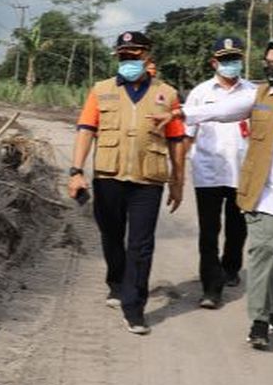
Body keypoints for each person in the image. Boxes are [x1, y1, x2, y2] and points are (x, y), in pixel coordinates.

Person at [156, 37, 273, 350]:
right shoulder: (259, 95)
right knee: (263, 254)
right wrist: (180, 114)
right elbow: (221, 110)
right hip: (267, 192)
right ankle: (258, 320)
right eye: (268, 62)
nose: (271, 68)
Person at [67, 31, 186, 335]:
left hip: (148, 180)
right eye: (123, 55)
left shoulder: (167, 94)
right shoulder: (101, 90)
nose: (128, 59)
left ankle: (134, 307)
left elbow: (176, 139)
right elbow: (85, 130)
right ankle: (117, 282)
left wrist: (178, 180)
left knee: (141, 244)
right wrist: (76, 171)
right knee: (111, 235)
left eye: (134, 54)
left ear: (147, 55)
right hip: (109, 177)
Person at [183, 36, 253, 309]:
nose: (230, 64)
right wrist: (178, 171)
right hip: (208, 172)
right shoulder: (201, 93)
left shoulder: (252, 93)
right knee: (209, 232)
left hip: (242, 172)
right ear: (214, 62)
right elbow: (189, 133)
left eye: (234, 59)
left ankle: (231, 267)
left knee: (238, 229)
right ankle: (211, 288)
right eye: (224, 60)